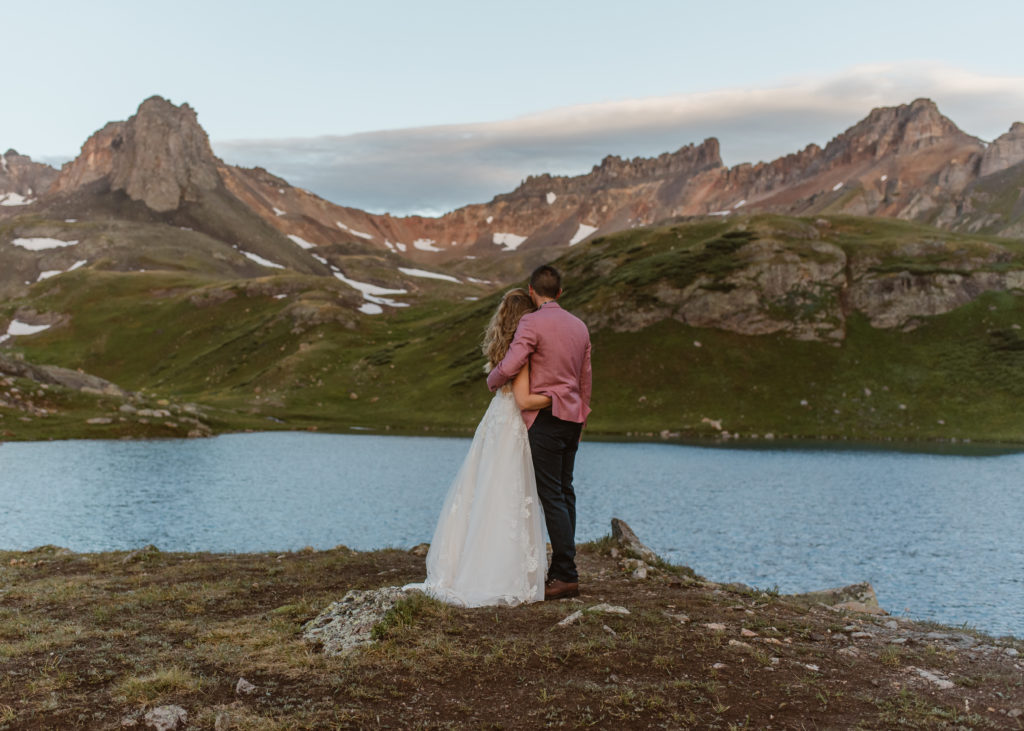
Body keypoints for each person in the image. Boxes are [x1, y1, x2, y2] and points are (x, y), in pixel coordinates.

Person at [405, 289, 552, 607]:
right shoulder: (523, 352)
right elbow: (524, 398)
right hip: (512, 423)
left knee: (485, 489)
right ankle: (497, 572)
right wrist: (560, 396)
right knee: (507, 493)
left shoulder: (502, 350)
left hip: (494, 422)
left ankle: (470, 564)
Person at [486, 265, 592, 601]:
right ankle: (564, 568)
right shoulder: (580, 326)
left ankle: (566, 575)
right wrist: (581, 417)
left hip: (545, 418)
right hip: (572, 418)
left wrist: (492, 379)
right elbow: (585, 379)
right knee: (565, 490)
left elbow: (512, 364)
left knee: (552, 496)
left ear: (532, 291)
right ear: (560, 293)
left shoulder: (531, 323)